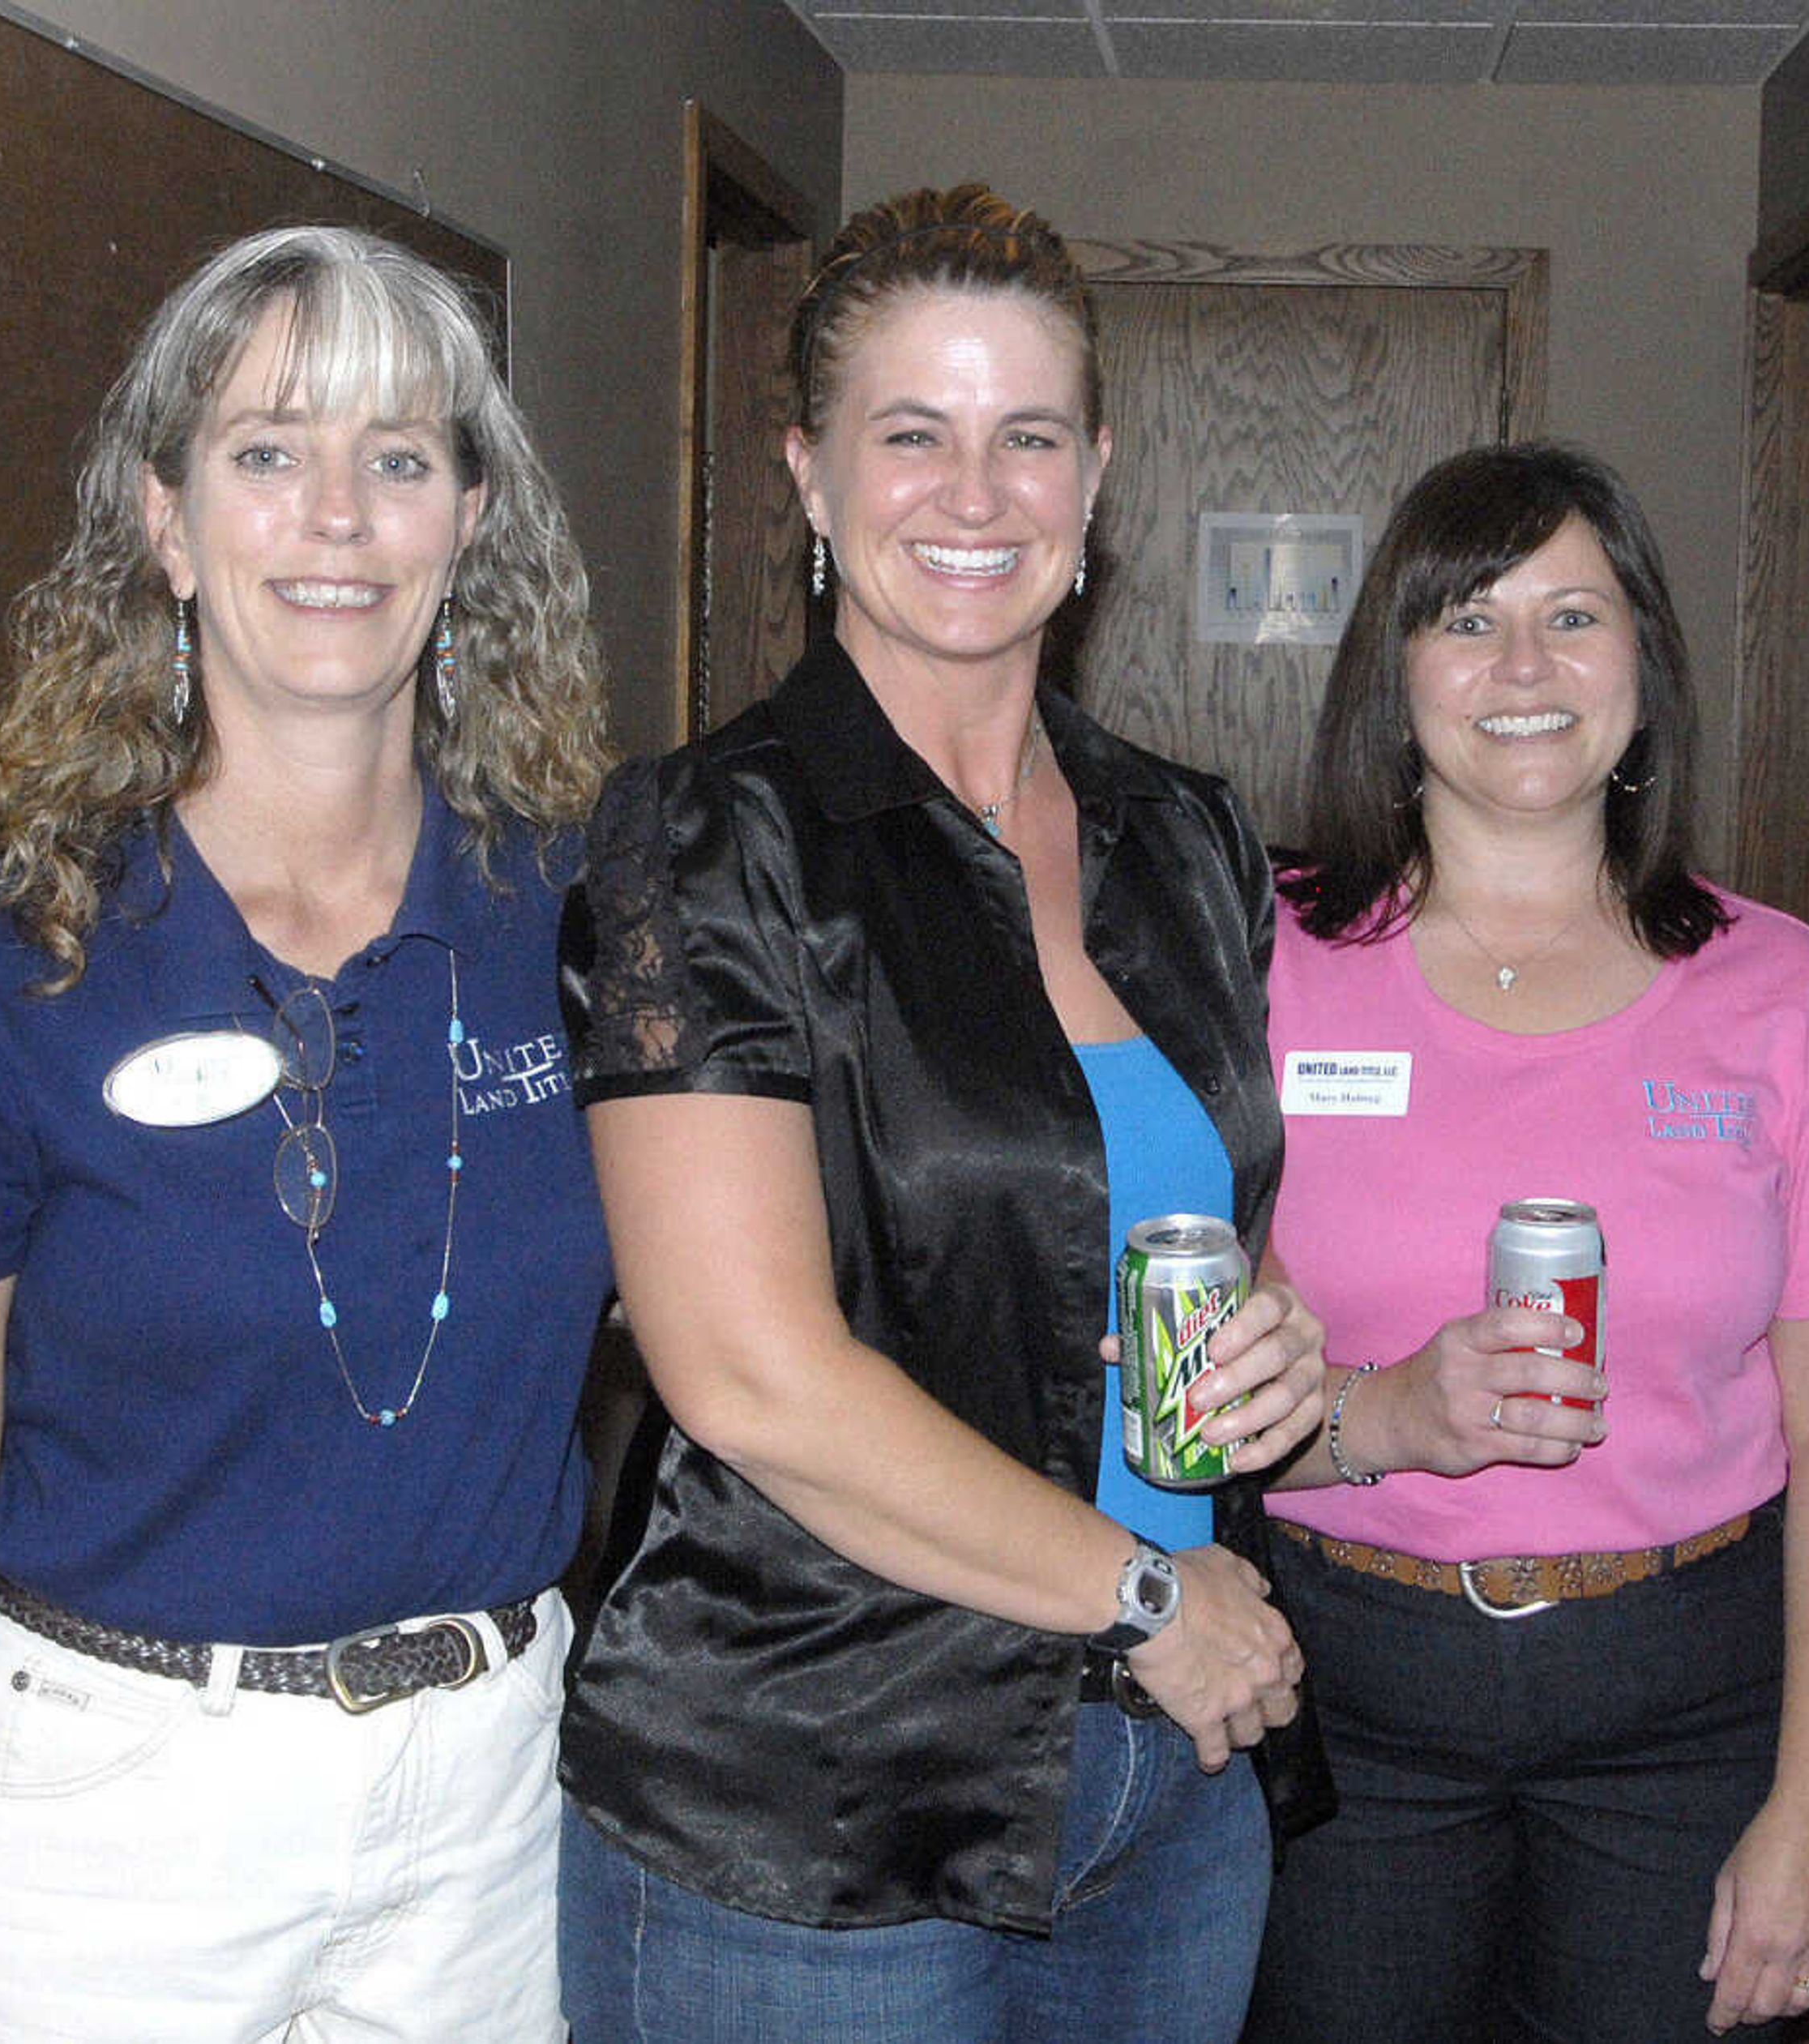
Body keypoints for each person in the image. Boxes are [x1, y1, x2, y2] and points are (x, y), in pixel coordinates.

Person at [0, 224, 615, 2041]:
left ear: (467, 523)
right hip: (114, 1837)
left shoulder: (583, 919)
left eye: (398, 460)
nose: (336, 516)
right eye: (267, 454)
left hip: (492, 1817)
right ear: (166, 524)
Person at [555, 182, 1331, 2044]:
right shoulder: (709, 837)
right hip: (820, 1820)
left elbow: (1183, 1240)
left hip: (1170, 1790)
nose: (974, 495)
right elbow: (749, 1373)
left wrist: (1281, 1350)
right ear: (812, 477)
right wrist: (1150, 1589)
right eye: (913, 435)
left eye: (1027, 436)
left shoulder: (1191, 835)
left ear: (1098, 476)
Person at [1244, 442, 1809, 2042]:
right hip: (1341, 1676)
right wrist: (1379, 1415)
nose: (1522, 669)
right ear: (1394, 671)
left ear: (1645, 667)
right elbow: (1168, 1362)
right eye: (1468, 618)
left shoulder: (1777, 990)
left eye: (1575, 616)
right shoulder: (1261, 959)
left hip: (1686, 1692)